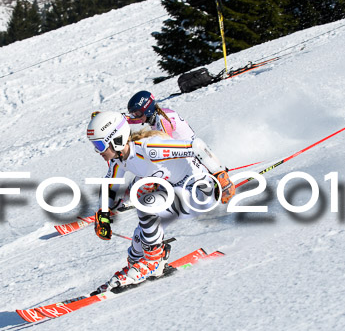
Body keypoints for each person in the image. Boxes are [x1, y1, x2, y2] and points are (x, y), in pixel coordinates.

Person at [86, 111, 235, 293]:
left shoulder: (150, 149)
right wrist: (103, 215)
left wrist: (221, 175)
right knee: (139, 239)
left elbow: (197, 146)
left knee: (146, 202)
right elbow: (110, 186)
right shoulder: (119, 160)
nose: (98, 151)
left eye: (100, 145)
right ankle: (140, 265)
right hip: (178, 192)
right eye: (95, 146)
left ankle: (153, 262)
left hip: (199, 192)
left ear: (116, 139)